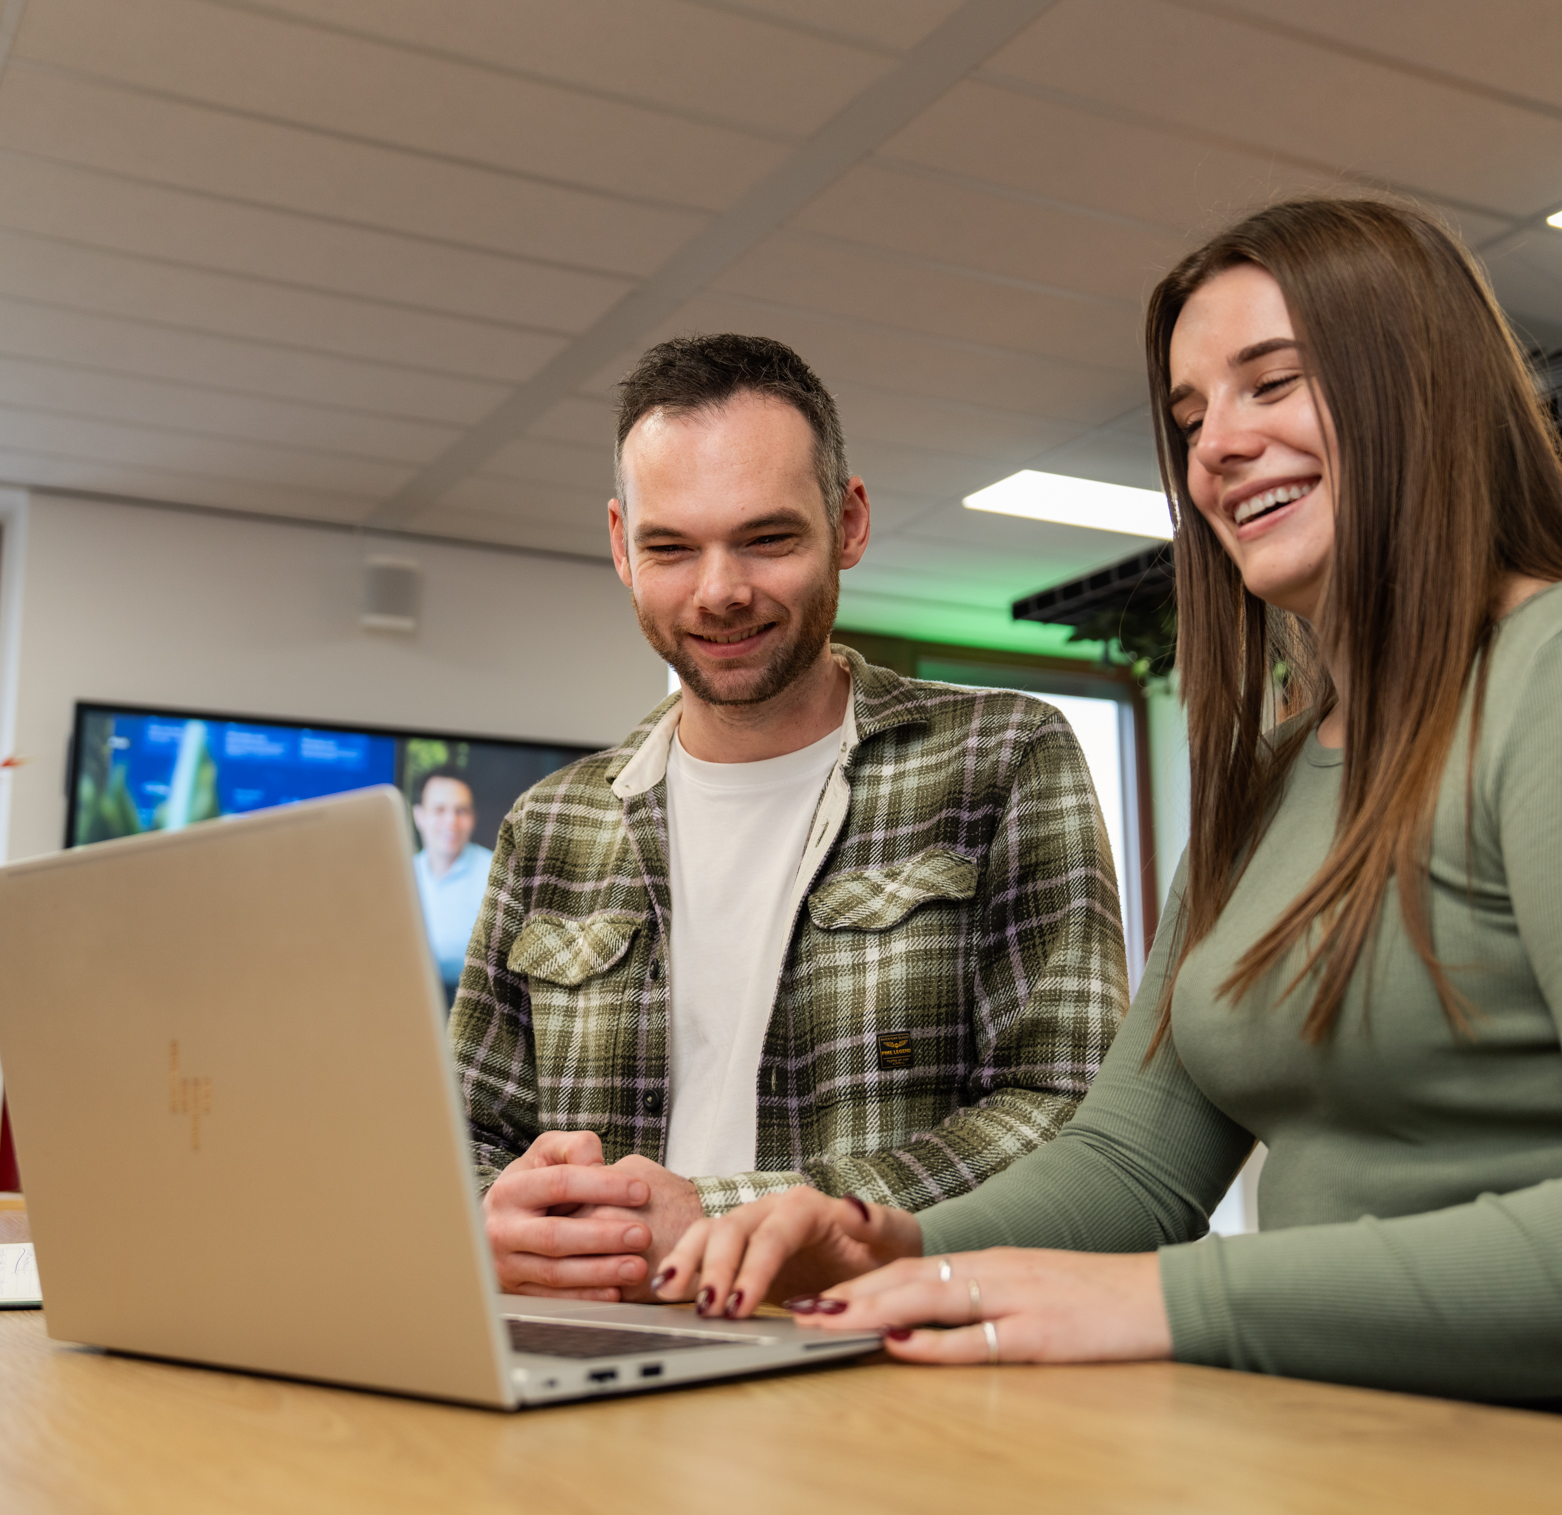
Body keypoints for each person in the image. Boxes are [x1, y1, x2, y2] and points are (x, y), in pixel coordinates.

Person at [648, 200, 1562, 1445]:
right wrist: (897, 1251)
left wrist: (1163, 1302)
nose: (1215, 444)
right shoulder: (1273, 774)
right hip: (1355, 1443)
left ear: (1417, 391)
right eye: (1187, 418)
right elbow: (1132, 1167)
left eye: (1270, 383)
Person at [449, 333, 1127, 1303]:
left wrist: (729, 1213)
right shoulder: (549, 826)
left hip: (877, 1359)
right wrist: (486, 1217)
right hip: (602, 1362)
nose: (719, 591)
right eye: (671, 548)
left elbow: (1068, 1116)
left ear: (847, 522)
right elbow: (463, 1130)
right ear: (618, 546)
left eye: (765, 539)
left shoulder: (1004, 759)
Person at [408, 769, 490, 1000]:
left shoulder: (499, 875)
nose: (450, 821)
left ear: (473, 818)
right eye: (439, 809)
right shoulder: (404, 873)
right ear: (419, 816)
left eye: (461, 811)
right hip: (407, 997)